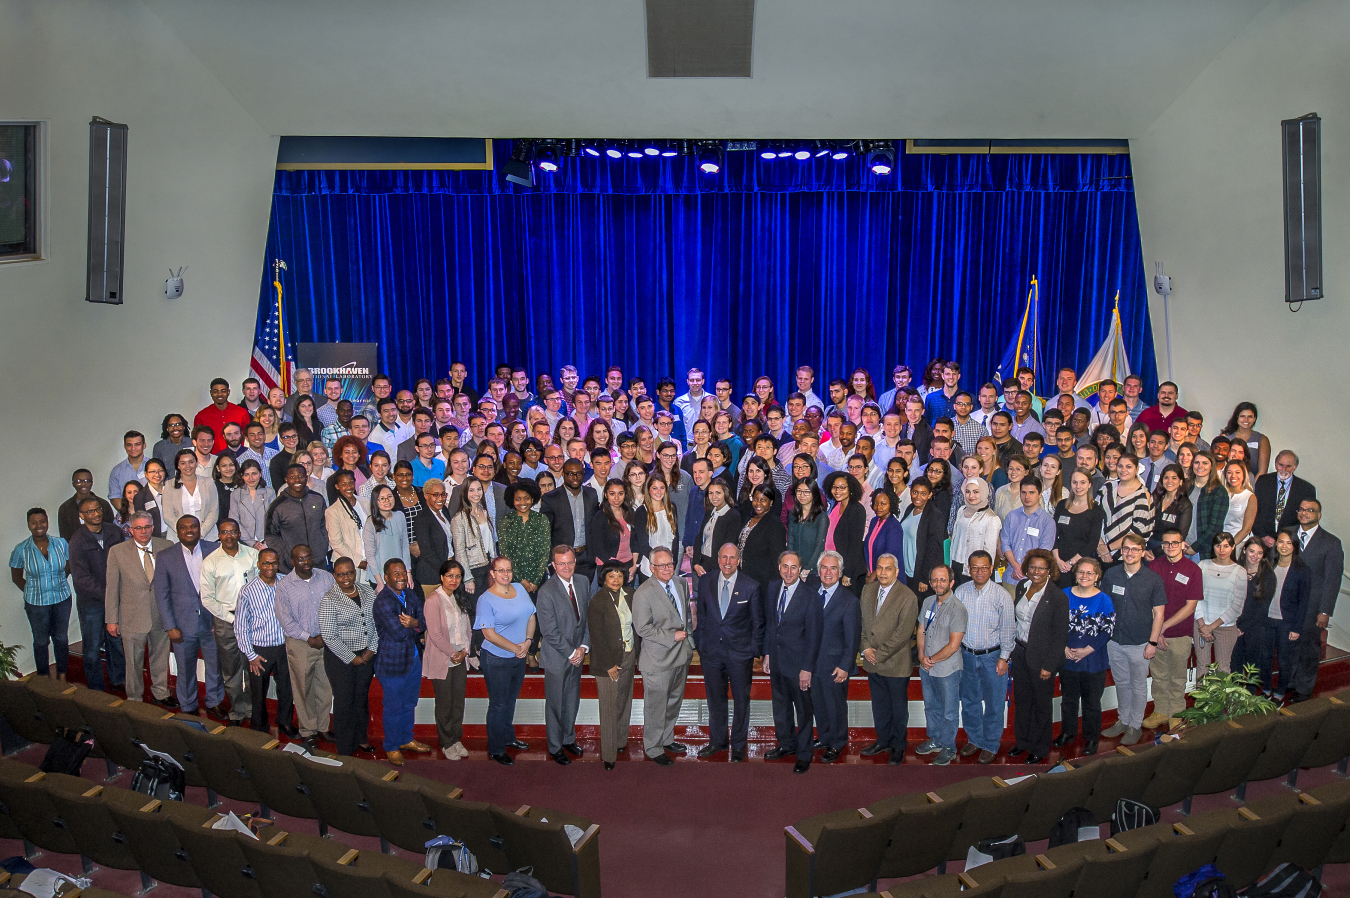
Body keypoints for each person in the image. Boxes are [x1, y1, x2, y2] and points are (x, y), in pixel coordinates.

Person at [694, 543, 763, 762]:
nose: (728, 562)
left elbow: (758, 623)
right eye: (724, 557)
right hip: (711, 652)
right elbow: (702, 616)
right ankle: (718, 741)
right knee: (715, 699)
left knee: (741, 700)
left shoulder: (751, 586)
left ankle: (739, 746)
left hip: (740, 654)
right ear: (717, 558)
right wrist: (702, 643)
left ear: (739, 560)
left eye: (732, 558)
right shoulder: (705, 581)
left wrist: (753, 651)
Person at [153, 515, 224, 715]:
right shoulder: (166, 556)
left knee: (215, 666)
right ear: (178, 531)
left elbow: (224, 587)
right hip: (182, 625)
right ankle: (188, 705)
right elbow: (162, 594)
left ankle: (214, 702)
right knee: (185, 669)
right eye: (184, 527)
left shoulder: (214, 550)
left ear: (199, 529)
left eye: (193, 526)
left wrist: (220, 618)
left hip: (212, 623)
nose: (189, 530)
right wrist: (170, 626)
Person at [1101, 534, 1167, 745]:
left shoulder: (1153, 580)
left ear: (1142, 552)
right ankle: (1123, 720)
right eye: (1126, 549)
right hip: (1115, 641)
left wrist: (1153, 642)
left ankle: (1135, 726)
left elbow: (1159, 614)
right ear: (1121, 551)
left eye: (1134, 549)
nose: (1129, 553)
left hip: (1140, 643)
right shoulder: (1111, 575)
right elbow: (1104, 606)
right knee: (1121, 683)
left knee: (1138, 685)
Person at [105, 512, 175, 704]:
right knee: (133, 662)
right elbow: (112, 588)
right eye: (138, 528)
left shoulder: (166, 547)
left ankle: (160, 692)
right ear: (130, 530)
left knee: (160, 658)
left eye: (147, 527)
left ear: (153, 528)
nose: (143, 531)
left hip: (160, 614)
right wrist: (111, 619)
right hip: (132, 616)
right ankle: (134, 697)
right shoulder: (117, 551)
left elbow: (173, 582)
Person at [1006, 548, 1069, 763]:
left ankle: (1039, 748)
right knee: (1022, 701)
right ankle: (1022, 742)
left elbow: (1060, 636)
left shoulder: (1057, 597)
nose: (1036, 571)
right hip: (1021, 653)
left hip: (1042, 659)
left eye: (1041, 568)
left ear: (1049, 571)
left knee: (1041, 705)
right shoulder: (1022, 587)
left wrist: (1049, 666)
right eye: (1032, 567)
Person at [763, 551, 822, 773]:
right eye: (785, 567)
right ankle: (786, 744)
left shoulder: (811, 596)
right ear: (779, 567)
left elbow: (814, 636)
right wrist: (768, 654)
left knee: (804, 711)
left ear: (800, 570)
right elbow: (771, 624)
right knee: (781, 707)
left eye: (794, 567)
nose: (789, 572)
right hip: (777, 661)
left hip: (799, 666)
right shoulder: (772, 588)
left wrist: (807, 668)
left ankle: (804, 753)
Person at [474, 556, 537, 765]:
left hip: (518, 656)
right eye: (500, 570)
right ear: (492, 573)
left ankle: (508, 737)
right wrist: (516, 648)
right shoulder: (486, 599)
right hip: (496, 659)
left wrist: (528, 642)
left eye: (508, 570)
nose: (505, 574)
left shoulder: (519, 588)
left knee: (510, 701)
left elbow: (531, 616)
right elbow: (488, 634)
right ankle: (496, 748)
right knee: (498, 704)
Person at [858, 553, 918, 764]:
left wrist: (879, 655)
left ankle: (898, 746)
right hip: (871, 662)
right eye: (880, 568)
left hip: (894, 664)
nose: (883, 572)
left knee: (898, 708)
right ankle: (882, 740)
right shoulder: (867, 590)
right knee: (880, 706)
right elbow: (863, 625)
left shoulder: (907, 597)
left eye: (888, 568)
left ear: (897, 571)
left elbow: (903, 634)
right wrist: (866, 650)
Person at [535, 547, 591, 765]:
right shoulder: (546, 591)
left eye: (570, 563)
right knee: (555, 703)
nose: (566, 568)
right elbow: (549, 631)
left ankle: (568, 739)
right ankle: (555, 746)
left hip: (578, 654)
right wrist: (571, 652)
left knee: (571, 701)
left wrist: (583, 647)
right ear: (553, 565)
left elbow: (586, 619)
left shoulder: (583, 582)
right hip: (558, 657)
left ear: (575, 561)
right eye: (561, 564)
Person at [276, 545, 336, 746]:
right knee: (303, 687)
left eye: (308, 557)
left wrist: (324, 635)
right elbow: (285, 618)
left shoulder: (326, 578)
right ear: (293, 562)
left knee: (325, 686)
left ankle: (323, 727)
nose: (305, 562)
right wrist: (308, 637)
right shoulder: (285, 585)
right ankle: (308, 730)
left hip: (326, 640)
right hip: (300, 643)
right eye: (300, 559)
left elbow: (335, 606)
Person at [1054, 558, 1114, 755]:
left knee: (1091, 702)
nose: (1084, 576)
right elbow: (1055, 624)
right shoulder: (1064, 595)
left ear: (1097, 576)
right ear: (1075, 573)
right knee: (1069, 700)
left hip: (1093, 660)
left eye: (1089, 573)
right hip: (1067, 657)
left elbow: (1107, 630)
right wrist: (1063, 647)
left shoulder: (1104, 599)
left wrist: (1087, 649)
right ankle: (1068, 732)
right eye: (1081, 572)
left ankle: (1091, 738)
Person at [372, 558, 429, 765]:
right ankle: (392, 746)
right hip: (392, 664)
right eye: (395, 573)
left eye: (403, 572)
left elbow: (423, 622)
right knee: (394, 708)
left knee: (409, 704)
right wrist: (416, 626)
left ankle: (406, 739)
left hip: (413, 660)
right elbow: (398, 633)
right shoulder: (383, 601)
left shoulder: (411, 594)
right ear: (386, 577)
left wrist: (414, 623)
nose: (401, 577)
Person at [320, 557, 379, 756]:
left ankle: (361, 739)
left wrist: (371, 649)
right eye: (340, 574)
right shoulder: (329, 599)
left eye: (349, 573)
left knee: (360, 699)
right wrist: (351, 657)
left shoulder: (367, 591)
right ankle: (345, 747)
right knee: (345, 701)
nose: (346, 578)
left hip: (366, 654)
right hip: (340, 659)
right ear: (334, 575)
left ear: (355, 572)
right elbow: (329, 635)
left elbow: (376, 622)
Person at [234, 548, 297, 735]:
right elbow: (240, 627)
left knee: (286, 688)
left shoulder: (286, 583)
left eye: (274, 563)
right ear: (259, 565)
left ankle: (285, 722)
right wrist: (251, 655)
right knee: (259, 691)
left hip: (284, 646)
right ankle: (259, 726)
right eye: (266, 563)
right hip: (260, 650)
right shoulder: (247, 591)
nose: (270, 567)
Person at [68, 498, 127, 691]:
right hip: (91, 603)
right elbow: (81, 578)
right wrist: (108, 595)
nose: (96, 513)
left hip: (116, 599)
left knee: (116, 643)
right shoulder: (77, 541)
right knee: (92, 648)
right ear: (81, 515)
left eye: (98, 509)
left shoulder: (115, 532)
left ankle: (118, 680)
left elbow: (125, 563)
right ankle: (95, 687)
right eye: (90, 511)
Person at [9, 508, 73, 682]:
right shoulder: (21, 549)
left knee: (60, 638)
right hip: (36, 604)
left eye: (42, 521)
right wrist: (33, 591)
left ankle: (62, 675)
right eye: (34, 522)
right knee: (41, 641)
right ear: (29, 525)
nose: (39, 525)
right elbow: (16, 577)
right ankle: (43, 677)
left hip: (62, 599)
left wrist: (58, 581)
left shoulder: (61, 544)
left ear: (47, 522)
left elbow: (69, 565)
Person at [1289, 499, 1343, 700]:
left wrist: (1325, 611)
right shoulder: (1289, 534)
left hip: (1313, 607)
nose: (1304, 513)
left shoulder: (1331, 542)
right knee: (1290, 646)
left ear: (1319, 515)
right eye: (1301, 509)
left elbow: (1332, 581)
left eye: (1310, 510)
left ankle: (1303, 690)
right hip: (1288, 604)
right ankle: (1291, 681)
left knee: (1309, 648)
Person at [809, 551, 861, 763]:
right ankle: (824, 737)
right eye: (824, 568)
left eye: (832, 568)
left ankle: (837, 742)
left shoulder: (849, 601)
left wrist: (845, 666)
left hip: (835, 665)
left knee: (835, 706)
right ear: (818, 570)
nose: (827, 572)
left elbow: (853, 638)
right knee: (818, 704)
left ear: (840, 573)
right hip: (813, 664)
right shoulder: (810, 593)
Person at [423, 559, 477, 760]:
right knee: (444, 704)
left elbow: (467, 629)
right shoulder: (433, 600)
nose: (454, 580)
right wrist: (453, 654)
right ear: (441, 577)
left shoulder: (458, 597)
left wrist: (464, 651)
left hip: (460, 657)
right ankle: (446, 743)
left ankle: (456, 739)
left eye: (458, 576)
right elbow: (435, 634)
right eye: (450, 576)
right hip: (443, 658)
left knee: (458, 703)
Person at [915, 565, 967, 766]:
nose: (938, 584)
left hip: (947, 669)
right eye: (935, 580)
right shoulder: (928, 602)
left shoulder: (958, 609)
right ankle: (936, 740)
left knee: (949, 711)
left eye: (943, 580)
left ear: (951, 582)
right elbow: (920, 630)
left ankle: (949, 747)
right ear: (930, 583)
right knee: (931, 707)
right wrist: (921, 655)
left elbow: (954, 646)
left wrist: (931, 659)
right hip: (926, 666)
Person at [588, 563, 638, 770]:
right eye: (611, 575)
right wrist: (609, 664)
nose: (616, 579)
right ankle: (608, 755)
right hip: (607, 660)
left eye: (619, 575)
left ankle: (620, 741)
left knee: (624, 700)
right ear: (604, 578)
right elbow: (596, 637)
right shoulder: (598, 600)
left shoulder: (631, 594)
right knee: (608, 707)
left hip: (628, 655)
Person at [1229, 537, 1280, 694]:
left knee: (1253, 666)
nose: (1255, 556)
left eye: (1259, 553)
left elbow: (1262, 608)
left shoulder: (1268, 575)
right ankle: (1236, 697)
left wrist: (1242, 627)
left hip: (1256, 627)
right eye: (1252, 551)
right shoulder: (1234, 570)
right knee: (1235, 664)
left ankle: (1249, 697)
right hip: (1233, 625)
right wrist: (1234, 625)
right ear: (1244, 550)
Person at [1268, 531, 1310, 702]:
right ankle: (1265, 690)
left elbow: (1303, 602)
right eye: (1280, 542)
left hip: (1287, 623)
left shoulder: (1302, 570)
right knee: (1265, 658)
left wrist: (1296, 628)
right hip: (1266, 620)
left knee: (1285, 661)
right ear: (1276, 544)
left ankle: (1279, 692)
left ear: (1294, 546)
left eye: (1288, 543)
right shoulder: (1269, 564)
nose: (1284, 546)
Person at [541, 459, 600, 581]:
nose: (575, 477)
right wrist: (549, 560)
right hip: (562, 560)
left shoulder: (592, 494)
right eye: (570, 474)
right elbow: (545, 533)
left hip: (586, 559)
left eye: (578, 473)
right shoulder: (551, 498)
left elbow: (595, 527)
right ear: (563, 474)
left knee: (583, 597)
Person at [1097, 454, 1153, 564]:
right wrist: (1100, 546)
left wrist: (1108, 548)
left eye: (1128, 467)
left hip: (1125, 556)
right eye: (1120, 466)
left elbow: (1137, 532)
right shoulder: (1107, 487)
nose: (1123, 470)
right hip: (1099, 550)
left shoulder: (1143, 495)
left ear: (1137, 469)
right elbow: (1094, 516)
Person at [1253, 450, 1315, 547]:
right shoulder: (1263, 481)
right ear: (1276, 464)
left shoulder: (1306, 489)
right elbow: (1254, 511)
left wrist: (1290, 539)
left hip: (1290, 544)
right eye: (1281, 465)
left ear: (1295, 467)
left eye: (1288, 466)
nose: (1283, 469)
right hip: (1263, 543)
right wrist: (1263, 536)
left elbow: (1306, 520)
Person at [1001, 480, 1056, 584]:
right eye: (1023, 492)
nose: (1027, 496)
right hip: (1011, 576)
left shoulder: (1048, 522)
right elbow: (1005, 543)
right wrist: (1016, 566)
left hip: (1033, 581)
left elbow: (1044, 552)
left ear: (1040, 494)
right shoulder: (1011, 516)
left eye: (1031, 492)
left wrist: (1024, 570)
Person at [821, 472, 867, 592]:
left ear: (850, 488)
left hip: (847, 568)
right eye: (834, 487)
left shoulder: (857, 509)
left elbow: (855, 544)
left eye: (842, 487)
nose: (837, 491)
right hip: (832, 563)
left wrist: (848, 572)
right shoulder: (837, 505)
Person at [898, 480, 945, 595]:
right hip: (907, 569)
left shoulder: (935, 515)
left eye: (923, 493)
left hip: (920, 573)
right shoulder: (910, 508)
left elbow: (934, 550)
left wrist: (925, 578)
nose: (918, 496)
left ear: (930, 495)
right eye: (915, 492)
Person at [949, 478, 1000, 584]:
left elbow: (989, 552)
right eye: (967, 492)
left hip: (974, 570)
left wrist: (983, 571)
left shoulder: (991, 519)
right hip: (956, 564)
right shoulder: (961, 510)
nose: (971, 496)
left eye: (976, 492)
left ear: (984, 492)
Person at [57, 470, 118, 542]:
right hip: (77, 549)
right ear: (73, 484)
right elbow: (65, 537)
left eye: (87, 481)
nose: (83, 484)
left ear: (92, 483)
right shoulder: (65, 508)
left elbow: (110, 530)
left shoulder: (103, 505)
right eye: (79, 481)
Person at [194, 378, 251, 454]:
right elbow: (199, 442)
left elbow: (247, 437)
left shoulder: (241, 412)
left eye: (223, 391)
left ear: (228, 392)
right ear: (211, 393)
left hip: (239, 457)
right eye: (215, 391)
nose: (219, 394)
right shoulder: (201, 416)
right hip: (212, 459)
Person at [326, 469, 367, 574]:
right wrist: (359, 562)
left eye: (351, 483)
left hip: (370, 560)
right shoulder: (332, 511)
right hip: (348, 565)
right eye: (344, 484)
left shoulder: (366, 503)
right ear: (337, 486)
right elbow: (336, 543)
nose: (348, 487)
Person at [787, 480, 828, 577]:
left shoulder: (821, 517)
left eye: (806, 492)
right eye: (799, 491)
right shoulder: (793, 512)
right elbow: (790, 539)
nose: (802, 495)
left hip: (812, 568)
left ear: (814, 493)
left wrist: (808, 567)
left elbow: (819, 545)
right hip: (795, 565)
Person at [862, 489, 904, 579]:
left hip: (887, 576)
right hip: (872, 573)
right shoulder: (874, 521)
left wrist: (873, 576)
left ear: (891, 505)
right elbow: (867, 547)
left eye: (883, 504)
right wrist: (868, 570)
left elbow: (889, 556)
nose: (878, 507)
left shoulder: (894, 526)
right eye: (876, 503)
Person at [1220, 401, 1271, 477]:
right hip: (1227, 482)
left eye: (1250, 417)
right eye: (1242, 416)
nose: (1246, 420)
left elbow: (1262, 471)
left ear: (1254, 418)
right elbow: (1219, 465)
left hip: (1252, 484)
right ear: (1237, 417)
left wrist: (1252, 487)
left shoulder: (1262, 439)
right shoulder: (1226, 437)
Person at [1220, 461, 1257, 546]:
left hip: (1239, 543)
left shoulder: (1250, 497)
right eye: (1229, 472)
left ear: (1244, 474)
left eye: (1237, 472)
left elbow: (1246, 529)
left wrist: (1230, 546)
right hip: (1220, 541)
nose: (1233, 476)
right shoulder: (1220, 494)